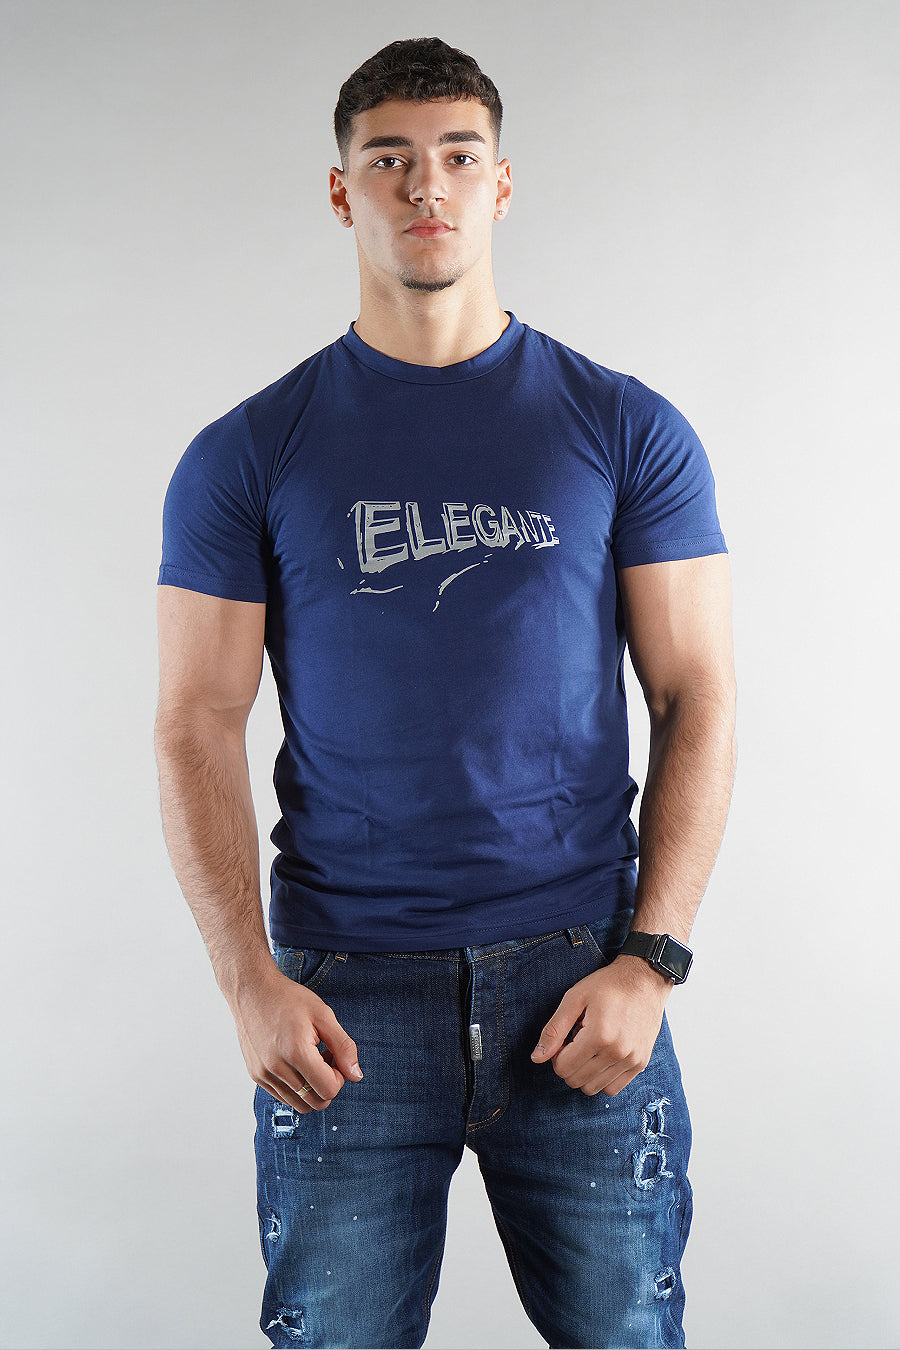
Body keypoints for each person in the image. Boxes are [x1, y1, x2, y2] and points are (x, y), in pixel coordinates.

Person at [155, 35, 736, 1350]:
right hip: (344, 998)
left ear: (502, 184)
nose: (427, 185)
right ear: (341, 191)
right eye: (390, 160)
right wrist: (246, 979)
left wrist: (651, 961)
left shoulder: (623, 426)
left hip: (580, 977)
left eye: (459, 156)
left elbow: (696, 693)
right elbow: (197, 719)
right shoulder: (250, 451)